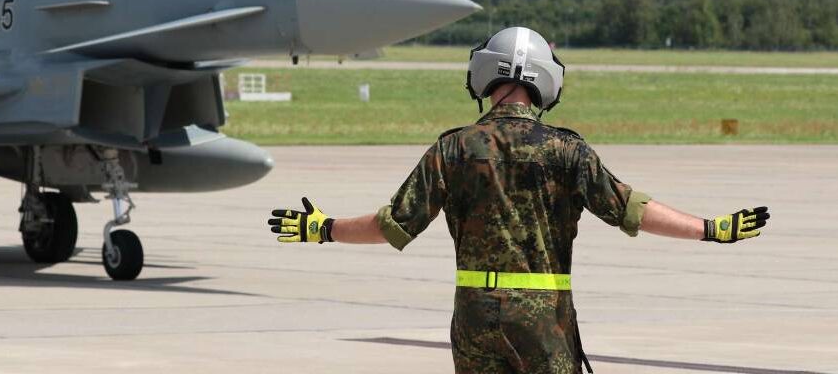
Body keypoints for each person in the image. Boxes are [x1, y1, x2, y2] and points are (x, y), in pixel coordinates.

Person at [267, 26, 770, 374]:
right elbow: (632, 210)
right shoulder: (566, 150)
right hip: (543, 319)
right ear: (545, 81)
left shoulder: (453, 148)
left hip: (474, 316)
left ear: (485, 76)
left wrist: (322, 227)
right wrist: (711, 228)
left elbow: (390, 226)